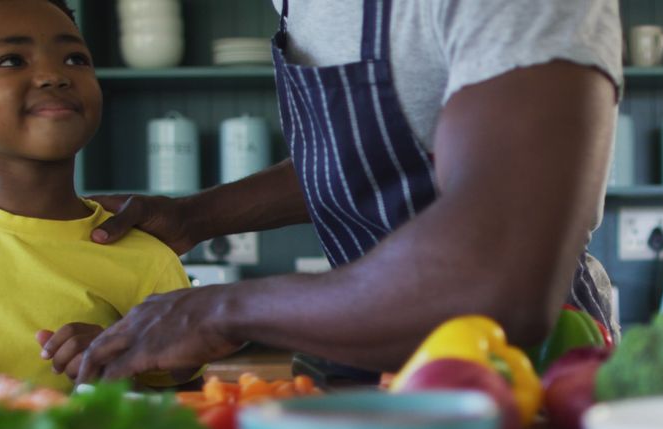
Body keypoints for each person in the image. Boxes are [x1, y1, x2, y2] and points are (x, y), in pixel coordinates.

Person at [64, 0, 624, 383]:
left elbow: (501, 276)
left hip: (528, 378)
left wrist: (218, 310)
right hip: (364, 360)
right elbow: (375, 157)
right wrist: (195, 217)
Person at [0, 0, 194, 390]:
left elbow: (183, 394)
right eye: (12, 60)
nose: (53, 76)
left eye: (75, 59)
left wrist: (120, 357)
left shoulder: (145, 257)